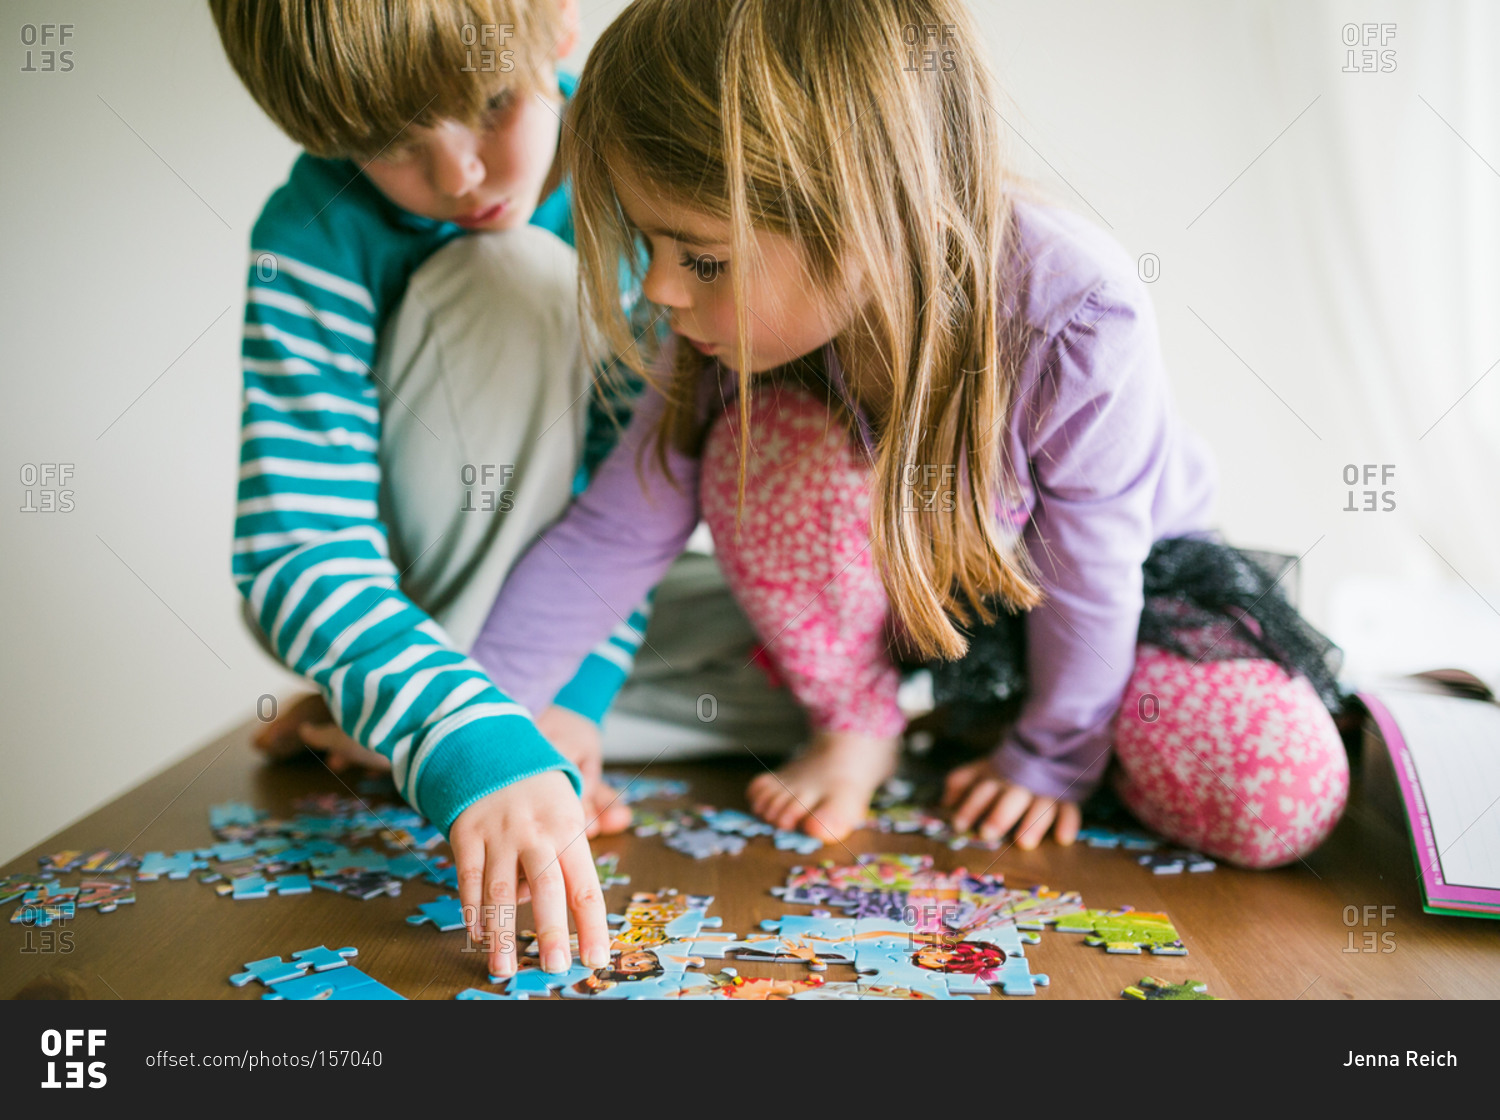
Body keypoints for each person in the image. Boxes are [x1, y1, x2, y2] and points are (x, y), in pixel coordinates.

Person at [474, 0, 1350, 869]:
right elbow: (618, 528)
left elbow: (1091, 572)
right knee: (776, 446)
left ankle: (1052, 732)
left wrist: (1053, 758)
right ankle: (863, 726)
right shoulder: (716, 323)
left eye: (700, 256)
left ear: (860, 218)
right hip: (893, 604)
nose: (661, 288)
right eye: (649, 244)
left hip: (1104, 602)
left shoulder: (1079, 310)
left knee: (1276, 791)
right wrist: (478, 722)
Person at [212, 0, 625, 979]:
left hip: (583, 596)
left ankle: (389, 699)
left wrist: (580, 692)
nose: (457, 176)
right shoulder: (313, 233)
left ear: (559, 24)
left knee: (799, 653)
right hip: (402, 574)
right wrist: (476, 738)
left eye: (489, 104)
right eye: (391, 144)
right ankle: (436, 699)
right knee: (508, 271)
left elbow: (635, 502)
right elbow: (293, 549)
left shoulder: (637, 161)